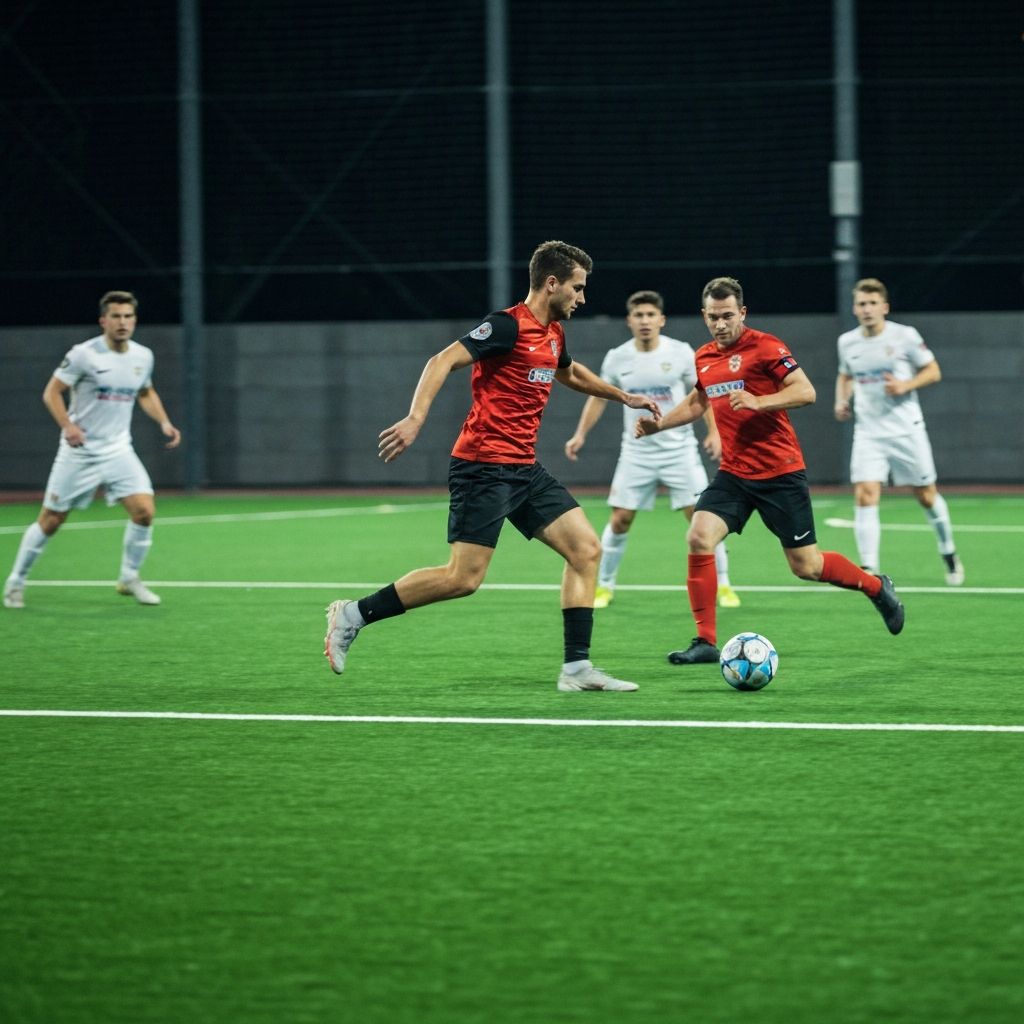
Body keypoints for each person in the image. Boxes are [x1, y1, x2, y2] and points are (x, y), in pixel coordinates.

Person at [323, 240, 662, 691]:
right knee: (463, 579)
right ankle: (352, 615)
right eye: (578, 289)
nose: (582, 298)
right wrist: (416, 418)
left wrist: (623, 396)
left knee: (586, 550)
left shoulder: (554, 333)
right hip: (483, 466)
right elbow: (441, 360)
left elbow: (571, 372)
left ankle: (577, 670)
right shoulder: (506, 327)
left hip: (523, 468)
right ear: (552, 283)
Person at [634, 276, 905, 665]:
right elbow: (698, 402)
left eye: (728, 316)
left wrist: (760, 402)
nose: (721, 324)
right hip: (734, 474)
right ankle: (706, 642)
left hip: (780, 472)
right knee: (698, 536)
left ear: (742, 312)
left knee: (806, 567)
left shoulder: (766, 346)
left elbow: (806, 391)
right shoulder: (704, 356)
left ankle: (876, 587)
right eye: (713, 317)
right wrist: (658, 424)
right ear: (704, 316)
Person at [3, 291, 181, 609]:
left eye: (128, 316)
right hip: (80, 452)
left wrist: (164, 422)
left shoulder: (143, 356)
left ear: (135, 320)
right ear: (104, 321)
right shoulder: (83, 355)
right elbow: (52, 393)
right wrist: (68, 427)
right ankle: (16, 582)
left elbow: (146, 392)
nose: (123, 322)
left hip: (118, 450)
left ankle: (129, 577)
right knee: (52, 520)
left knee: (144, 511)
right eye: (116, 316)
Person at [564, 289, 740, 609]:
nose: (644, 321)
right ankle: (604, 585)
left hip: (679, 450)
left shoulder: (682, 352)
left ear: (661, 320)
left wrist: (714, 432)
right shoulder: (618, 357)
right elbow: (599, 396)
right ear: (630, 321)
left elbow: (702, 395)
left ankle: (724, 585)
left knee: (703, 519)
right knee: (620, 519)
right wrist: (580, 435)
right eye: (638, 316)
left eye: (650, 315)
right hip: (636, 452)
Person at [834, 278, 963, 585]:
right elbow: (845, 375)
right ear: (855, 308)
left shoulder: (905, 336)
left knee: (926, 495)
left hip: (906, 431)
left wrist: (905, 384)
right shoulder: (847, 342)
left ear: (884, 307)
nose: (867, 309)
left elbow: (933, 371)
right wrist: (842, 399)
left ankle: (948, 551)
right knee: (865, 494)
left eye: (872, 303)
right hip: (868, 433)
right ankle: (869, 572)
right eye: (861, 304)